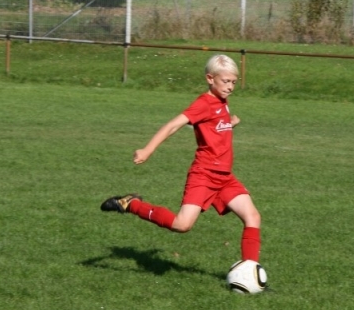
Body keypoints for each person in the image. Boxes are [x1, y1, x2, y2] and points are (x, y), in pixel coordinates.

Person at [100, 54, 262, 263]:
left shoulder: (222, 100)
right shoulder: (203, 103)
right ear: (210, 78)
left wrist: (229, 124)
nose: (230, 87)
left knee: (253, 217)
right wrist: (148, 149)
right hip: (204, 174)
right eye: (225, 81)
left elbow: (212, 127)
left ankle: (250, 271)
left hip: (224, 177)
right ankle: (131, 204)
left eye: (233, 82)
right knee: (182, 225)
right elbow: (172, 125)